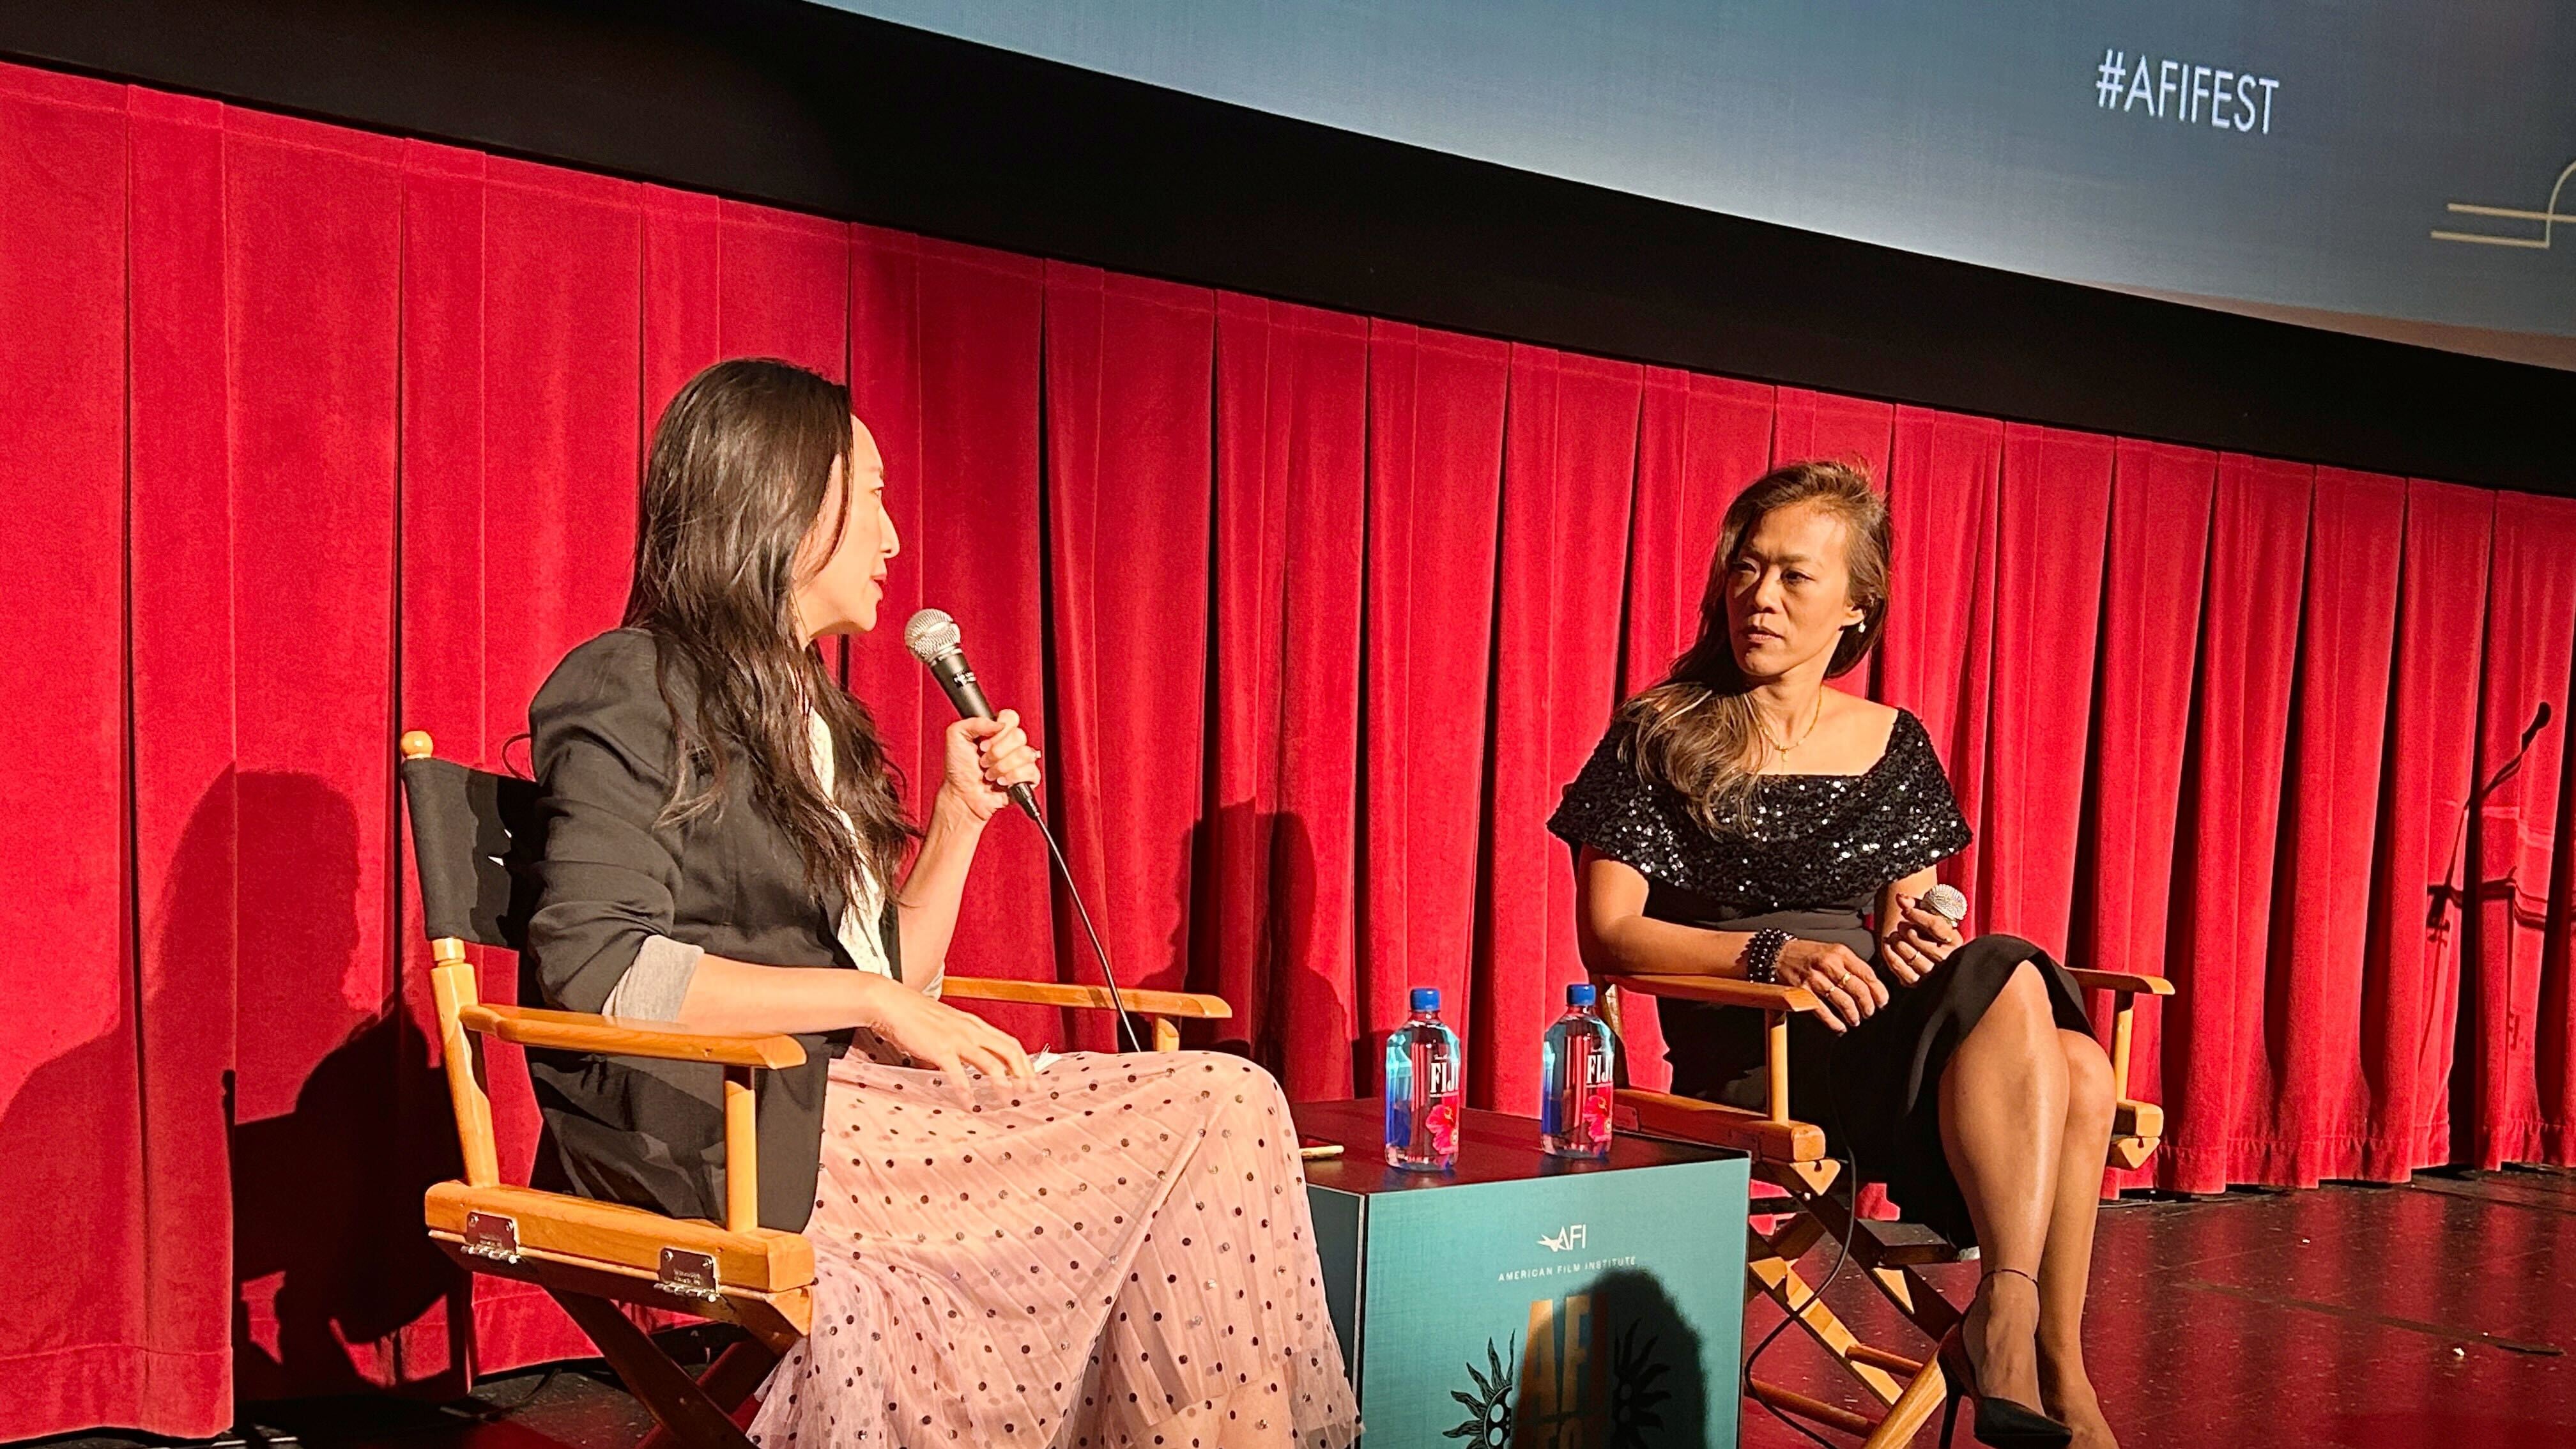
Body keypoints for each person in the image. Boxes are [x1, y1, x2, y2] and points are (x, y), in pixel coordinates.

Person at [522, 357, 1359, 1448]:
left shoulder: (813, 714)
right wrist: (870, 1000)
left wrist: (960, 819)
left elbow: (892, 981)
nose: (893, 540)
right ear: (786, 501)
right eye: (871, 497)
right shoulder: (635, 681)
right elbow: (599, 970)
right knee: (1218, 1102)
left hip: (841, 1106)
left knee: (1226, 1110)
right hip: (722, 1129)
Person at [1547, 461, 2117, 1449]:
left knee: (2071, 1053)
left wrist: (1920, 933)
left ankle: (2038, 1347)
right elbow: (1609, 933)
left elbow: (1909, 922)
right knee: (2057, 1038)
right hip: (1760, 1051)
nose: (1759, 595)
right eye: (1747, 567)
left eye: (1794, 576)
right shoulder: (1662, 730)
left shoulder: (1894, 742)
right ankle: (2029, 1349)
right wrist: (1772, 955)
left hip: (1879, 1032)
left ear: (1857, 606)